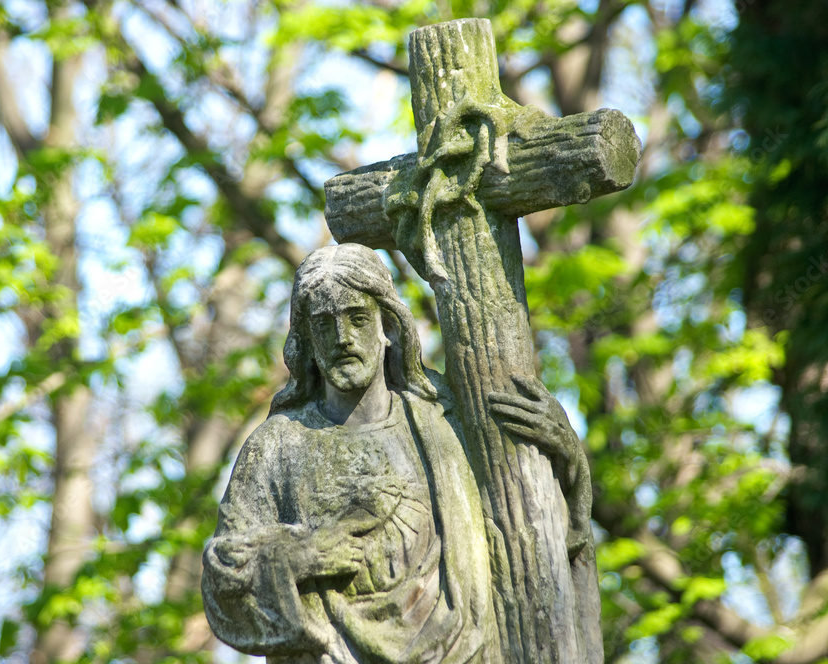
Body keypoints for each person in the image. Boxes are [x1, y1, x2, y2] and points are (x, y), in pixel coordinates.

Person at [202, 244, 583, 663]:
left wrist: (562, 453)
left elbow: (537, 523)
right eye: (323, 325)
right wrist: (297, 557)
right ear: (307, 340)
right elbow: (224, 576)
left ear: (389, 326)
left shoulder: (448, 422)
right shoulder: (277, 445)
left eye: (357, 318)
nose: (342, 338)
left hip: (463, 648)